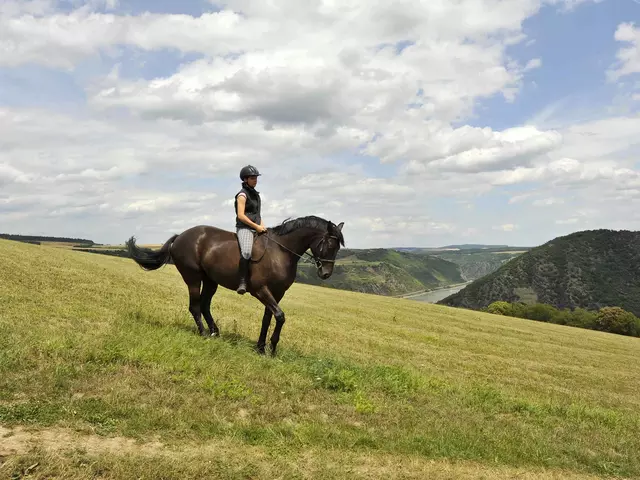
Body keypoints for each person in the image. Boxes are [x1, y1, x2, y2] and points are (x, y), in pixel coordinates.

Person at [234, 165, 267, 294]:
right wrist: (256, 227)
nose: (255, 180)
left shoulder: (256, 195)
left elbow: (258, 215)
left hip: (256, 227)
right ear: (245, 179)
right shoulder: (242, 195)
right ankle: (242, 281)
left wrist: (263, 227)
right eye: (253, 178)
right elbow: (241, 216)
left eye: (256, 178)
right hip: (245, 228)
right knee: (247, 252)